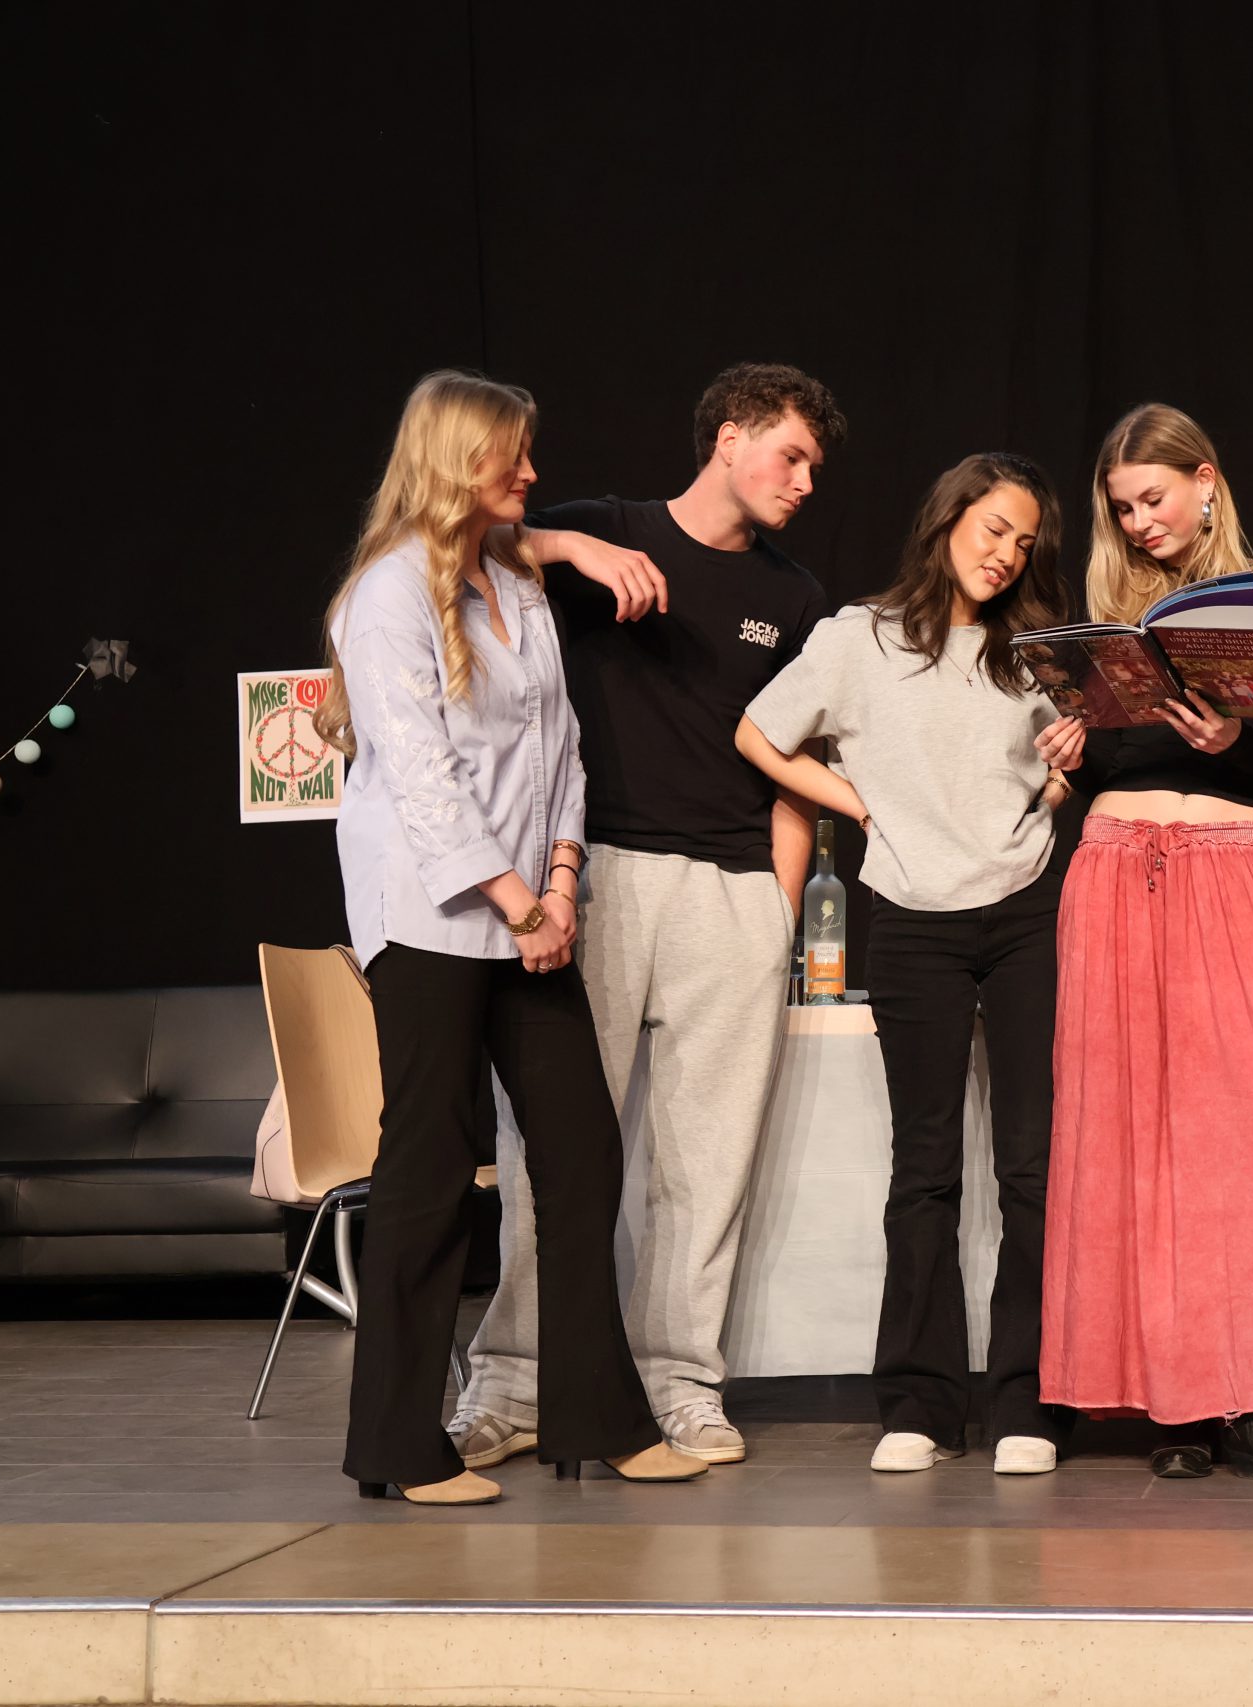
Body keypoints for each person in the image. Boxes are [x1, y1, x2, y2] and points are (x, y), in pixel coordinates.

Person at [317, 370, 707, 1503]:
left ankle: (595, 1416)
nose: (533, 473)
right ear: (456, 459)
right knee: (430, 1167)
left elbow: (561, 751)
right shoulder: (386, 596)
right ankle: (398, 1446)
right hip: (430, 915)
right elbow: (424, 782)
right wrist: (519, 903)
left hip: (532, 912)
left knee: (582, 1154)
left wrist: (563, 881)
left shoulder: (515, 583)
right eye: (513, 454)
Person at [446, 362, 844, 1470]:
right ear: (729, 437)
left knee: (706, 1164)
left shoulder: (795, 597)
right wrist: (571, 548)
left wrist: (776, 912)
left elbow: (794, 763)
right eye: (791, 455)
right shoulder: (603, 532)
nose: (804, 482)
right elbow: (457, 550)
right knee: (556, 1154)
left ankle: (681, 1382)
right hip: (596, 876)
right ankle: (514, 1381)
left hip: (732, 891)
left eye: (815, 466)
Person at [1038, 402, 1253, 1493]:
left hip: (1235, 866)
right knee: (1137, 1137)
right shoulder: (1107, 615)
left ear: (1206, 481)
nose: (1140, 522)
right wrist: (1070, 745)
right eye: (1123, 508)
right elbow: (1104, 761)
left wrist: (1236, 733)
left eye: (1155, 498)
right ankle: (1173, 1397)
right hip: (1117, 867)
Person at [735, 453, 1076, 1476]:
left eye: (1023, 541)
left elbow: (1050, 775)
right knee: (923, 1165)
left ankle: (1026, 1401)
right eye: (993, 527)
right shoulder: (858, 637)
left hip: (1024, 909)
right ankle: (919, 1403)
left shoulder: (1036, 652)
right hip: (913, 917)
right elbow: (758, 733)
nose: (1005, 553)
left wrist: (1061, 778)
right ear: (948, 516)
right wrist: (859, 804)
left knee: (1031, 1166)